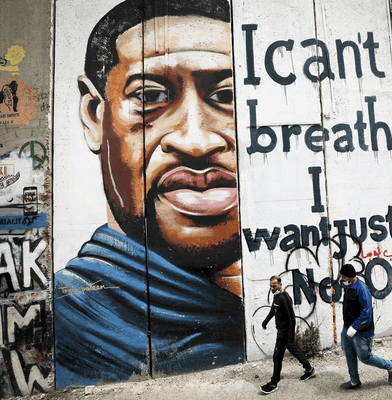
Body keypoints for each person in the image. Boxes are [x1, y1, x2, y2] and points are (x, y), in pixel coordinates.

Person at [54, 0, 244, 388]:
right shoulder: (58, 327)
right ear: (93, 116)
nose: (197, 142)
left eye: (227, 95)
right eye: (149, 96)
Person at [339, 263, 392, 390]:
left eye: (344, 277)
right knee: (349, 355)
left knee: (365, 357)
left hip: (360, 332)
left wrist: (354, 327)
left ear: (351, 277)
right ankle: (354, 381)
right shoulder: (348, 287)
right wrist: (347, 328)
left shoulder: (362, 289)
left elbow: (366, 313)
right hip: (347, 329)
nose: (342, 279)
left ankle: (390, 365)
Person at [260, 275, 316, 394]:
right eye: (271, 286)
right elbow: (273, 310)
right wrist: (265, 322)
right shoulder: (276, 297)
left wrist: (290, 336)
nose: (272, 288)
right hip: (281, 332)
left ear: (280, 285)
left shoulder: (284, 298)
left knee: (277, 357)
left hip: (284, 333)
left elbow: (291, 318)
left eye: (274, 286)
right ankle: (309, 369)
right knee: (293, 350)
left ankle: (274, 382)